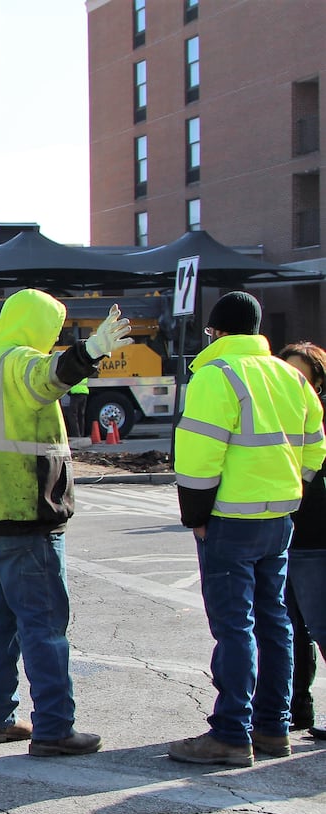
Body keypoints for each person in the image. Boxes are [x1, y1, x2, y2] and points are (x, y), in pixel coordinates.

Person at [0, 289, 136, 757]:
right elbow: (50, 377)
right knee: (44, 625)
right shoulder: (21, 360)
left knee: (3, 624)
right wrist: (92, 350)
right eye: (54, 328)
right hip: (29, 509)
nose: (54, 337)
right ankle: (55, 727)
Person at [169, 292, 325, 767]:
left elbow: (198, 456)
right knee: (275, 620)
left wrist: (195, 516)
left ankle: (231, 734)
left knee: (235, 626)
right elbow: (315, 447)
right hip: (279, 517)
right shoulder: (288, 375)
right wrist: (292, 488)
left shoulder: (217, 376)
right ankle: (273, 729)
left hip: (230, 519)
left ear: (216, 331)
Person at [276, 341, 326, 739]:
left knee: (321, 626)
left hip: (315, 536)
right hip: (283, 534)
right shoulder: (280, 412)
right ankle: (299, 709)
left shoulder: (318, 419)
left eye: (301, 376)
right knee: (291, 627)